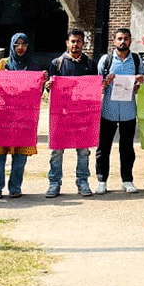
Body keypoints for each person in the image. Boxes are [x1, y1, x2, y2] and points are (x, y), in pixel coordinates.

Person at [0, 32, 42, 198]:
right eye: (17, 44)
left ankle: (15, 188)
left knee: (21, 155)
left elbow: (37, 92)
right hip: (3, 116)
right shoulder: (3, 64)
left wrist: (43, 80)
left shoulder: (33, 66)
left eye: (24, 44)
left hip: (24, 117)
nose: (20, 48)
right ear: (12, 46)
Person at [46, 28, 98, 198]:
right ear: (67, 43)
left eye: (79, 41)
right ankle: (54, 183)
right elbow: (51, 91)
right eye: (73, 41)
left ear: (83, 43)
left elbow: (93, 90)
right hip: (61, 114)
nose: (75, 44)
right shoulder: (57, 63)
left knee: (83, 150)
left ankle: (82, 182)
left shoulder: (91, 64)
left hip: (83, 115)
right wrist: (48, 87)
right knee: (57, 150)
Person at [95, 28, 144, 195]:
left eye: (126, 38)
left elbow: (140, 86)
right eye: (120, 38)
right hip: (108, 110)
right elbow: (97, 85)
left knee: (127, 148)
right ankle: (102, 180)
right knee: (103, 148)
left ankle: (127, 180)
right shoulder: (106, 60)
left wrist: (139, 83)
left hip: (128, 111)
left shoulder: (136, 60)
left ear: (130, 40)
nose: (123, 42)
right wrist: (105, 82)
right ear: (114, 41)